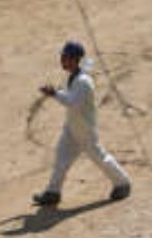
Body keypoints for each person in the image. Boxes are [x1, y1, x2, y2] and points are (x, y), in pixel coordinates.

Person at [33, 41, 131, 206]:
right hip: (71, 127)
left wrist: (55, 93)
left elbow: (73, 103)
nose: (62, 60)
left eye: (65, 57)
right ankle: (53, 192)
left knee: (100, 158)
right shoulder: (73, 77)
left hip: (85, 129)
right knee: (60, 158)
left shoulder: (83, 82)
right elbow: (70, 97)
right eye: (62, 57)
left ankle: (122, 183)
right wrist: (57, 93)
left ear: (75, 59)